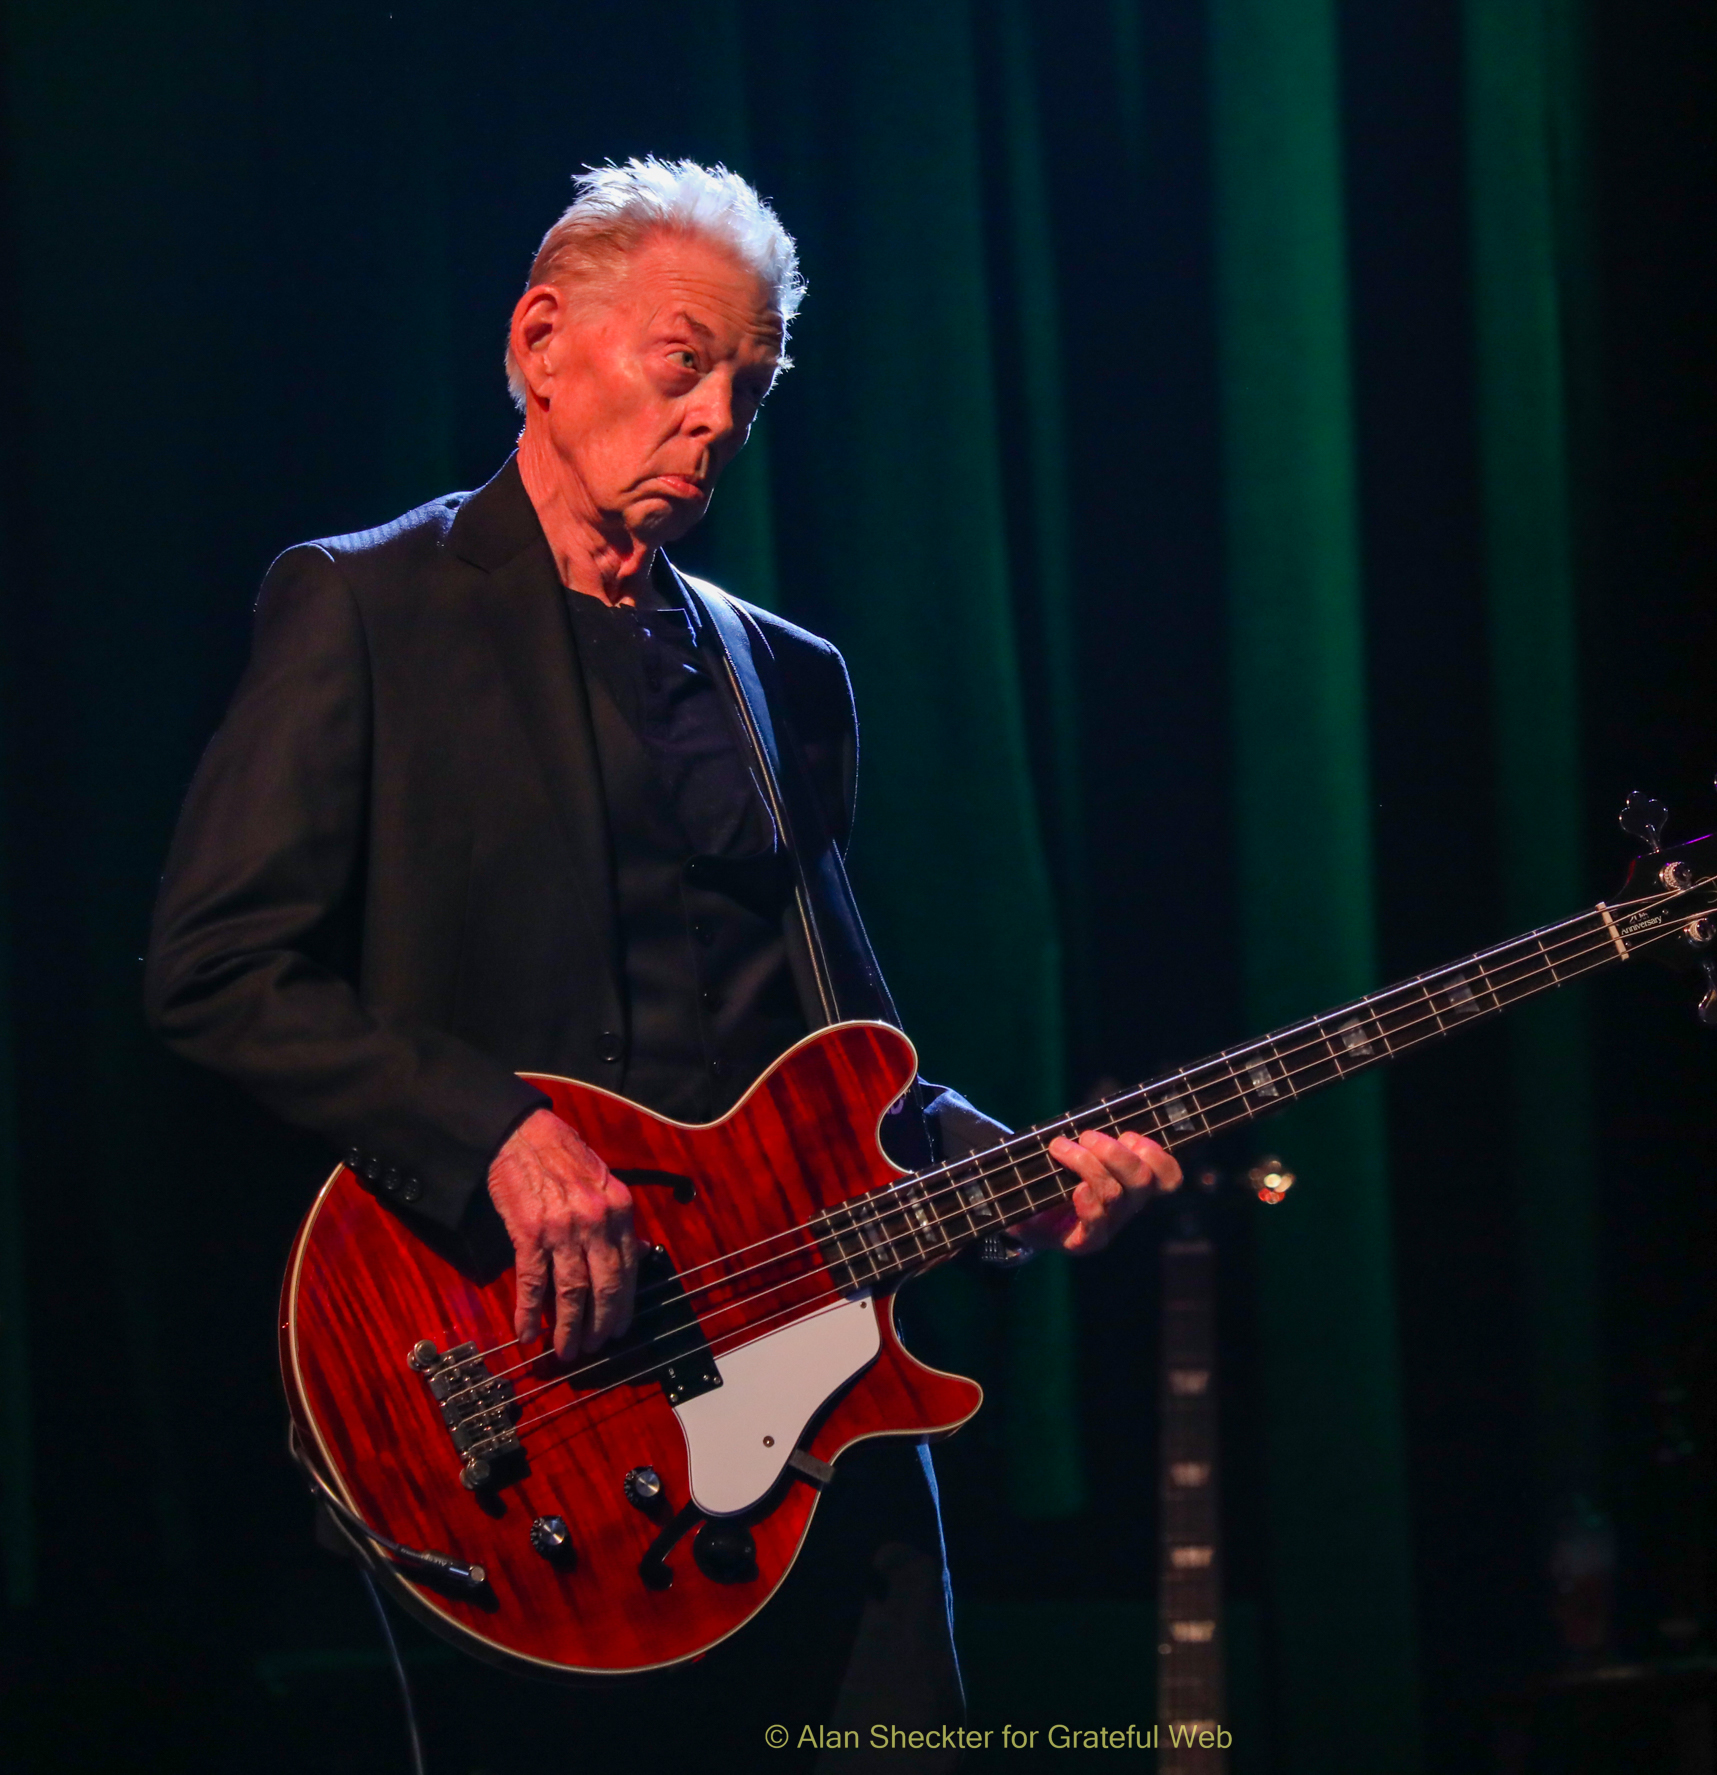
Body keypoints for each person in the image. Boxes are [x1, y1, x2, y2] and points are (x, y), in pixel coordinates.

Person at [144, 157, 1179, 1763]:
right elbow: (215, 968)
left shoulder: (791, 679)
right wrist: (496, 1130)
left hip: (805, 1371)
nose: (716, 417)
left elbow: (845, 1048)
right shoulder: (364, 606)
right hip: (522, 1384)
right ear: (543, 340)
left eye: (749, 387)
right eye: (683, 364)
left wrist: (1009, 1169)